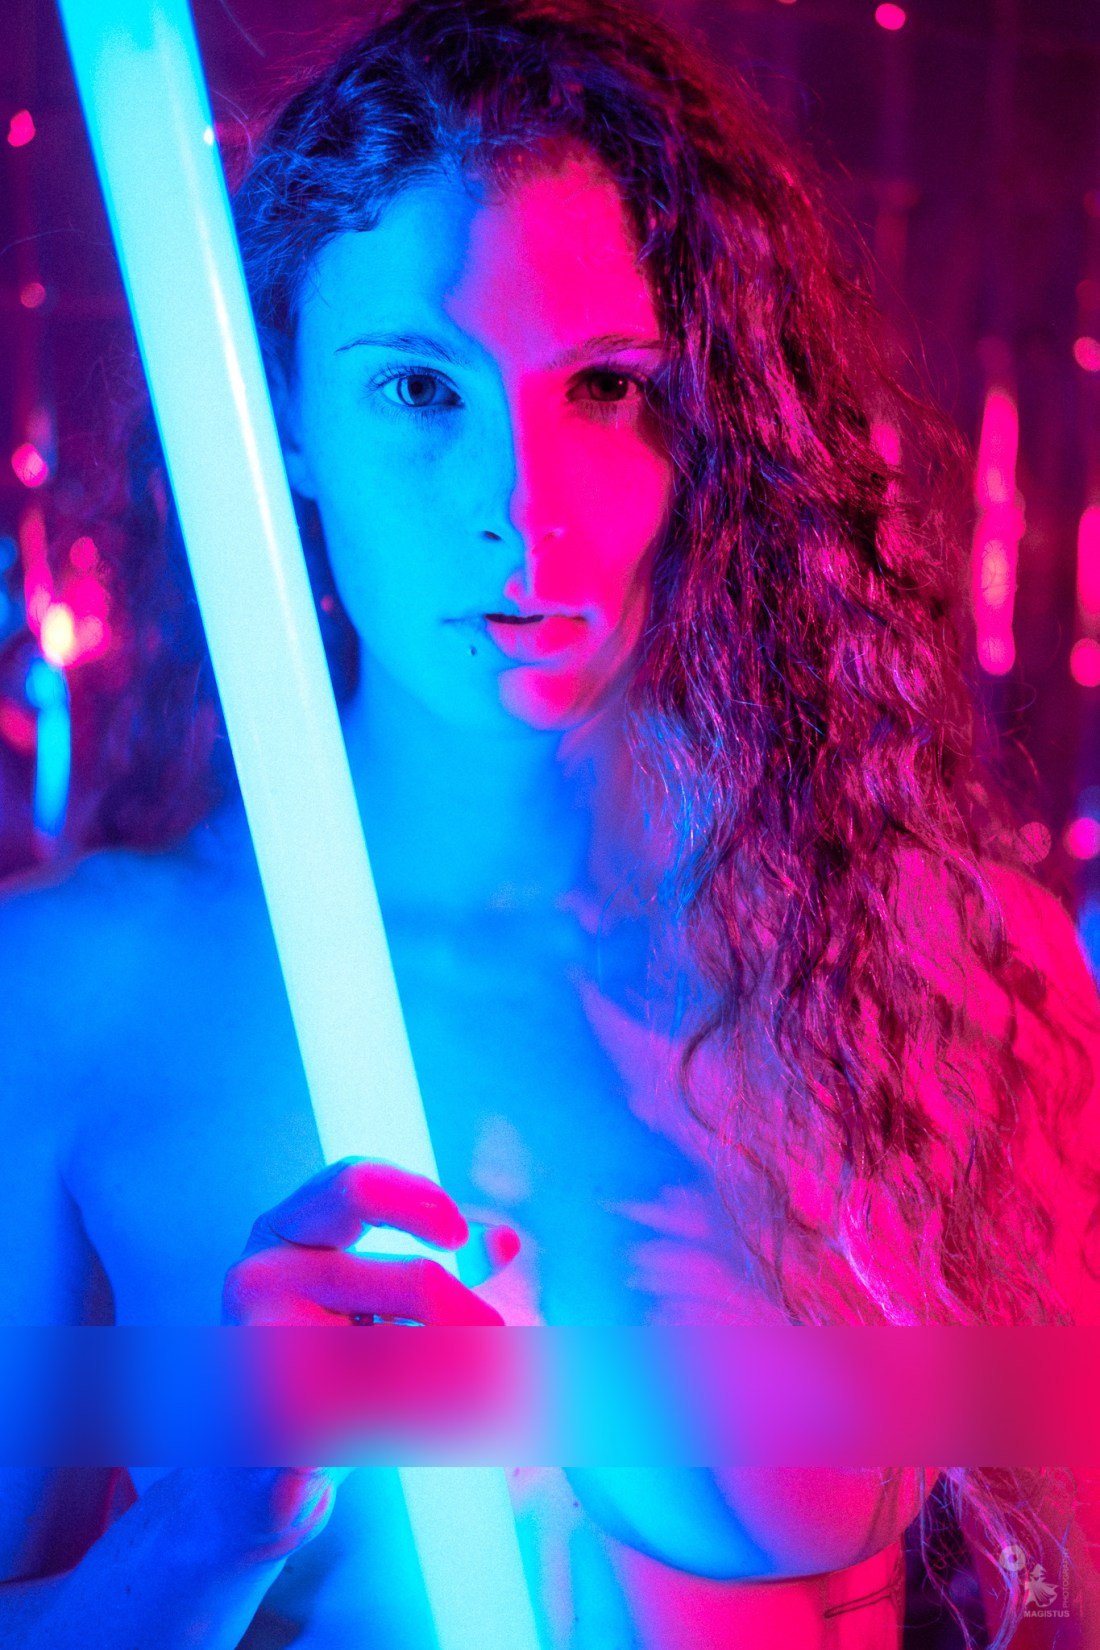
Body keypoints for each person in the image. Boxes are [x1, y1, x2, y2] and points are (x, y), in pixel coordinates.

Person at [1, 0, 1098, 1645]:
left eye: (602, 386)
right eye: (418, 388)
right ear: (278, 415)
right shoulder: (68, 997)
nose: (520, 505)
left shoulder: (947, 978)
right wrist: (203, 1534)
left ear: (711, 417)